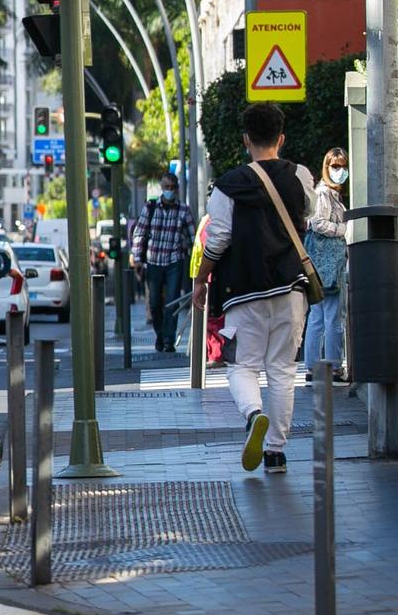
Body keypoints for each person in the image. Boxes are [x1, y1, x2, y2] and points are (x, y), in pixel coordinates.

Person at [192, 104, 317, 475]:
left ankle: (253, 415)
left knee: (242, 366)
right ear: (281, 138)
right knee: (282, 370)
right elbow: (308, 212)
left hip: (243, 290)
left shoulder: (228, 186)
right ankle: (276, 452)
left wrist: (201, 279)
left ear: (246, 140)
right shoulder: (301, 176)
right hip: (291, 288)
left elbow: (217, 240)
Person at [131, 173, 194, 353]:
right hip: (153, 261)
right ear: (161, 188)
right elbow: (139, 233)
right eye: (166, 187)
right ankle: (160, 334)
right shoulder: (150, 208)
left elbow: (192, 237)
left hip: (174, 261)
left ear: (177, 189)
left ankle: (168, 340)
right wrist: (136, 257)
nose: (169, 191)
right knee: (155, 303)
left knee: (172, 302)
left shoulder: (184, 210)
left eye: (172, 188)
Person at [304, 146, 350, 378]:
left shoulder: (329, 193)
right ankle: (333, 366)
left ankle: (313, 365)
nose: (340, 171)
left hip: (320, 265)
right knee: (331, 317)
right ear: (326, 167)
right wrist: (343, 229)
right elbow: (318, 223)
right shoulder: (323, 194)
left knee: (318, 316)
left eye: (343, 166)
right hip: (328, 264)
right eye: (335, 166)